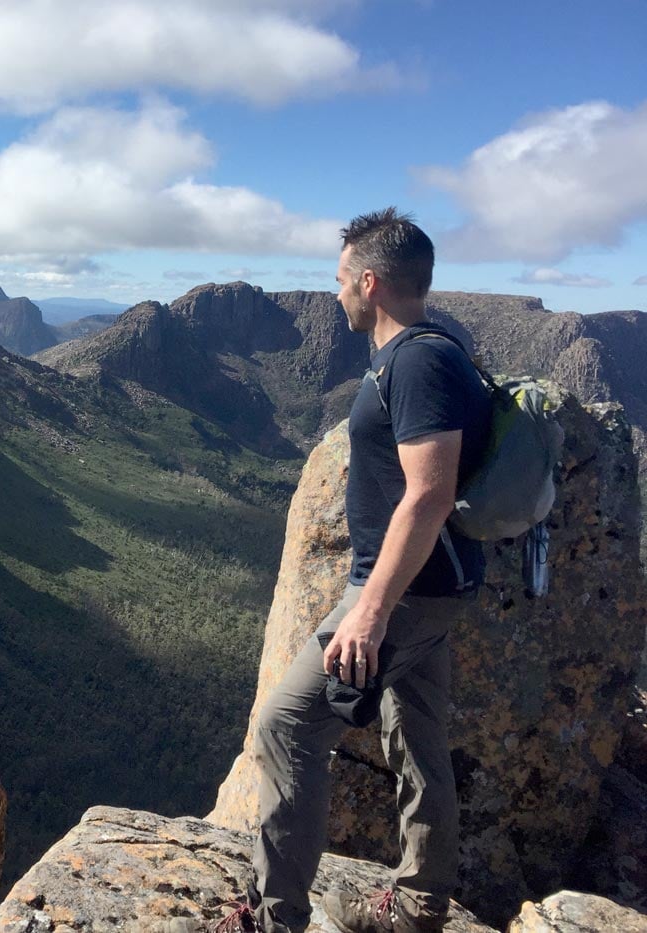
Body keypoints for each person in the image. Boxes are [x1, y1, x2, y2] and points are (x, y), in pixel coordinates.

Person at [171, 209, 491, 933]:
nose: (336, 290)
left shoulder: (417, 360)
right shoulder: (436, 348)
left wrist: (369, 611)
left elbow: (431, 491)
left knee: (286, 727)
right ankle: (419, 906)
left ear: (370, 282)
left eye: (341, 277)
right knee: (418, 735)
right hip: (435, 588)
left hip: (402, 593)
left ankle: (273, 917)